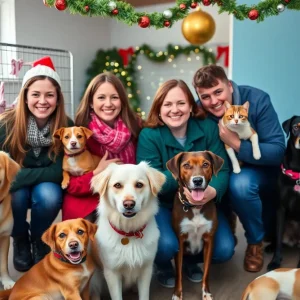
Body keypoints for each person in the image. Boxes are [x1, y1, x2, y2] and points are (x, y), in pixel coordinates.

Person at [136, 79, 235, 288]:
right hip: (164, 205)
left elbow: (223, 169)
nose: (175, 110)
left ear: (191, 106)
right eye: (167, 104)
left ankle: (190, 261)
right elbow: (152, 181)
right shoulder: (149, 135)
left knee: (224, 249)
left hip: (203, 201)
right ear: (159, 109)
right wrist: (186, 178)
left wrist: (212, 190)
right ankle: (163, 265)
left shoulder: (208, 128)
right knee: (166, 246)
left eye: (181, 103)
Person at [193, 65, 285, 272]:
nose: (214, 101)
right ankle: (228, 216)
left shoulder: (258, 100)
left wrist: (236, 144)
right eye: (205, 96)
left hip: (258, 172)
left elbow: (278, 150)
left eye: (218, 92)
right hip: (220, 173)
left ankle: (254, 242)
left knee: (240, 184)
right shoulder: (199, 111)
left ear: (230, 86)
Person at [0, 56, 71, 272]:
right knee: (17, 196)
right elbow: (5, 175)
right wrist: (44, 172)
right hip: (16, 188)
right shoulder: (7, 125)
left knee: (49, 196)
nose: (43, 101)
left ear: (58, 99)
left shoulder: (67, 126)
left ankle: (40, 240)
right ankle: (20, 237)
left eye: (50, 95)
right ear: (25, 97)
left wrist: (21, 173)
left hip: (44, 187)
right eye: (36, 94)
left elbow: (60, 171)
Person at [62, 72, 141, 222]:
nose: (108, 103)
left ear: (122, 101)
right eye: (101, 97)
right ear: (91, 102)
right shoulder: (80, 134)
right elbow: (71, 185)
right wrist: (98, 171)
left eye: (114, 97)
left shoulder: (136, 126)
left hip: (129, 192)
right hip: (90, 192)